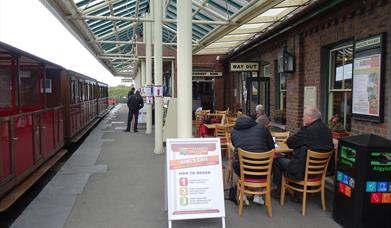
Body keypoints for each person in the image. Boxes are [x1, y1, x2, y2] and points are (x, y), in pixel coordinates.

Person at [272, 107, 334, 200]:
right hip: (319, 171)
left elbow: (290, 143)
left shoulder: (308, 131)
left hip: (302, 169)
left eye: (304, 116)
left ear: (310, 117)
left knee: (277, 160)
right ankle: (298, 192)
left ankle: (279, 192)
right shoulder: (327, 130)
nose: (303, 118)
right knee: (298, 158)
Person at [230, 115, 275, 205]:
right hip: (263, 170)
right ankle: (258, 196)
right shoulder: (261, 128)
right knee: (269, 163)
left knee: (238, 162)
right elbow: (272, 148)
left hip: (243, 170)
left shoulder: (233, 131)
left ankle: (243, 194)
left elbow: (236, 146)